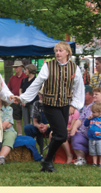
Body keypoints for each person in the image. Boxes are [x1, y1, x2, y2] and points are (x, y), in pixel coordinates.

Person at [16, 42, 85, 173]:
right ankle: (47, 160)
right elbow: (37, 84)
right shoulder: (48, 66)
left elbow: (79, 88)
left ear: (67, 52)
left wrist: (74, 105)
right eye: (56, 51)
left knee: (61, 136)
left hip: (65, 105)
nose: (57, 53)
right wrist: (23, 98)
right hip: (50, 104)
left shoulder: (74, 68)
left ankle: (46, 161)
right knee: (62, 133)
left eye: (60, 50)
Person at [70, 85, 98, 165]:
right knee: (76, 136)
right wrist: (74, 127)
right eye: (94, 94)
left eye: (96, 94)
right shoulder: (88, 107)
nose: (94, 95)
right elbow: (80, 119)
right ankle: (81, 159)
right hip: (84, 134)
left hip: (98, 135)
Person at [8, 61, 27, 134]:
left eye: (17, 67)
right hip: (15, 101)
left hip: (25, 101)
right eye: (14, 67)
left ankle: (29, 136)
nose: (15, 68)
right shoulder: (12, 78)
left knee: (27, 120)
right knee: (18, 120)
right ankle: (20, 136)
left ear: (21, 67)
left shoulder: (26, 77)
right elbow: (8, 89)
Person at [0, 97, 18, 165]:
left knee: (10, 136)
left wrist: (4, 125)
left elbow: (6, 124)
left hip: (7, 131)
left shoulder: (8, 108)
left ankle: (1, 158)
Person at [84, 102, 101, 167]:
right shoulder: (91, 118)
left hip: (99, 138)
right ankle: (94, 163)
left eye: (94, 112)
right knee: (93, 152)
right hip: (91, 138)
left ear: (100, 112)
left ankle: (100, 163)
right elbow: (86, 124)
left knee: (100, 151)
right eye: (92, 112)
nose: (92, 113)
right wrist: (88, 119)